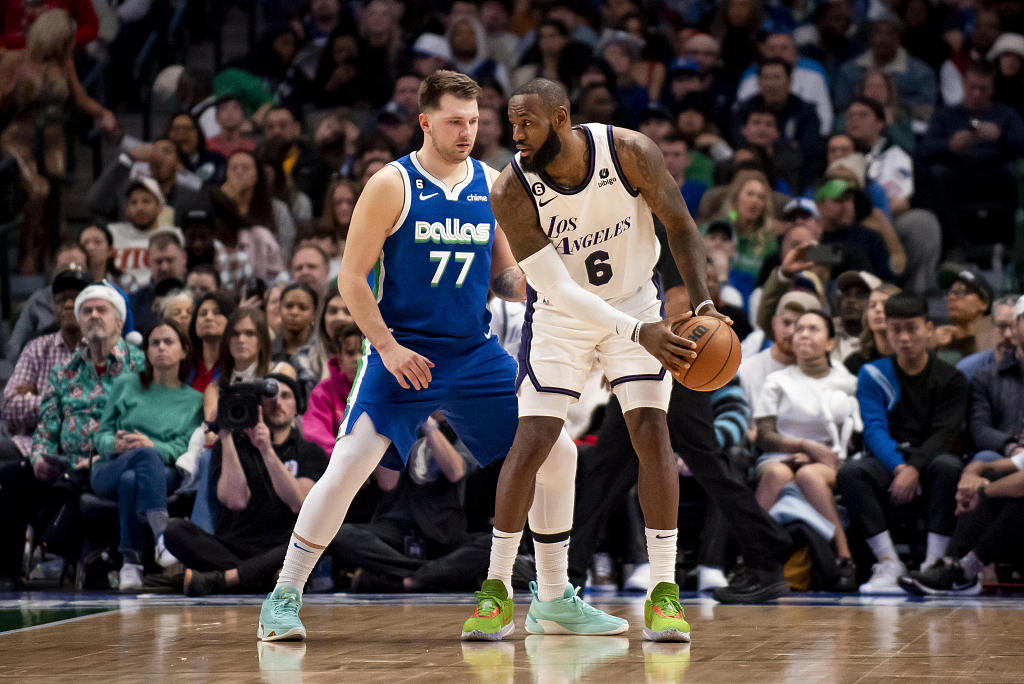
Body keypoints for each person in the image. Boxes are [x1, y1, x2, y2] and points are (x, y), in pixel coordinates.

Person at [258, 70, 597, 643]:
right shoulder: (392, 184)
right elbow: (350, 279)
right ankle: (283, 597)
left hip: (472, 352)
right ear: (425, 122)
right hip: (404, 353)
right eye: (455, 122)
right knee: (346, 471)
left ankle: (554, 596)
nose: (467, 132)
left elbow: (505, 277)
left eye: (474, 122)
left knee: (559, 454)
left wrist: (548, 285)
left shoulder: (492, 184)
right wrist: (386, 347)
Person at [469, 75, 748, 643]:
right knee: (534, 440)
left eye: (528, 122)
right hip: (561, 318)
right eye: (513, 122)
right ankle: (496, 589)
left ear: (562, 118)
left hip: (635, 302)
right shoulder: (510, 189)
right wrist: (639, 331)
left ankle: (665, 593)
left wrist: (701, 304)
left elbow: (680, 226)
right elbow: (557, 289)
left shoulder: (629, 152)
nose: (516, 133)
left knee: (651, 432)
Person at [0, 284, 144, 589]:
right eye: (86, 311)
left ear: (119, 321)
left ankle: (78, 554)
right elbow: (46, 427)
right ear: (79, 322)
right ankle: (8, 573)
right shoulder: (64, 371)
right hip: (64, 462)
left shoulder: (139, 364)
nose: (93, 315)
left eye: (101, 310)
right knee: (11, 475)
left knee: (74, 484)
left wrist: (101, 455)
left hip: (113, 462)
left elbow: (149, 421)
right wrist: (39, 458)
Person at [838, 293, 967, 593]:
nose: (905, 337)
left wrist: (914, 469)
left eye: (912, 328)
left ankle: (934, 565)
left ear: (929, 328)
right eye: (896, 329)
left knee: (949, 467)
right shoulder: (873, 373)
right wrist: (900, 468)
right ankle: (888, 562)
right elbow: (874, 430)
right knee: (851, 474)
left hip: (932, 461)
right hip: (889, 460)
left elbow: (944, 433)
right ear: (887, 332)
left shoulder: (952, 379)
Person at [165, 373, 328, 596]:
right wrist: (224, 435)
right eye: (270, 397)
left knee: (318, 537)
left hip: (280, 547)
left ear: (297, 406)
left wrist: (266, 449)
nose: (277, 402)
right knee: (174, 530)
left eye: (286, 396)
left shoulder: (310, 452)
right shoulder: (232, 444)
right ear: (258, 404)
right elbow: (236, 500)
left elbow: (298, 503)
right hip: (233, 546)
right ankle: (260, 578)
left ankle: (227, 578)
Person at [91, 319, 203, 590]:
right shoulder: (126, 384)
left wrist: (152, 447)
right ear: (146, 351)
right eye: (154, 343)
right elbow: (101, 434)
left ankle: (131, 562)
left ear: (184, 351)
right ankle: (161, 536)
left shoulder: (194, 399)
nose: (161, 348)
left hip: (162, 470)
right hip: (112, 467)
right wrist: (115, 445)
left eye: (168, 342)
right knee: (133, 467)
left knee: (134, 477)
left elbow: (184, 446)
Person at [753, 310, 860, 590]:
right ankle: (755, 562)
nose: (803, 334)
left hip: (830, 457)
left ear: (829, 343)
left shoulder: (846, 382)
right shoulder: (777, 381)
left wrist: (814, 453)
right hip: (781, 454)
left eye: (813, 329)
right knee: (775, 474)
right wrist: (802, 446)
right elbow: (764, 436)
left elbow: (853, 434)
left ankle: (843, 555)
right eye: (799, 328)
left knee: (810, 476)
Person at [0, 267, 90, 462]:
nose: (67, 305)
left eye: (75, 298)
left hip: (87, 448)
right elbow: (8, 406)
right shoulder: (36, 348)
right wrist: (65, 404)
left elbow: (95, 408)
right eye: (60, 299)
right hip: (31, 444)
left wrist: (40, 398)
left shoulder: (101, 348)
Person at [6, 244, 88, 361]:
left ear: (88, 271)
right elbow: (14, 347)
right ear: (54, 271)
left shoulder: (98, 299)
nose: (71, 271)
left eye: (78, 266)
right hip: (44, 365)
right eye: (64, 267)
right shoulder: (38, 300)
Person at [302, 322, 361, 457]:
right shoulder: (323, 392)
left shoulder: (382, 392)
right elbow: (315, 433)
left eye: (363, 352)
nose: (357, 359)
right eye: (350, 353)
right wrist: (345, 460)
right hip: (336, 465)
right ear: (339, 359)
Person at [128, 231, 189, 332]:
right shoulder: (134, 303)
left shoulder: (197, 296)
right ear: (148, 261)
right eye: (158, 261)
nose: (164, 267)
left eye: (170, 260)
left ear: (184, 258)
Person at [933, 268, 996, 364]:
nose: (951, 297)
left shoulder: (1000, 340)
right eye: (948, 293)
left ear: (984, 303)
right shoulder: (942, 342)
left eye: (960, 292)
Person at [957, 295, 1019, 382]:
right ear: (992, 326)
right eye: (1002, 326)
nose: (1007, 335)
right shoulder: (968, 369)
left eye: (1016, 327)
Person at [844, 283, 901, 375]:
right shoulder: (854, 363)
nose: (878, 309)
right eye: (872, 305)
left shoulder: (913, 360)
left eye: (885, 304)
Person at [187, 292, 236, 393]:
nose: (208, 317)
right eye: (203, 313)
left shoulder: (238, 363)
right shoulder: (184, 363)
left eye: (217, 312)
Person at [79, 224, 137, 293]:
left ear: (110, 250)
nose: (91, 248)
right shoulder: (73, 281)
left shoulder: (126, 282)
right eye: (85, 243)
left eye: (97, 242)